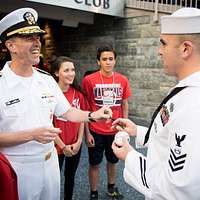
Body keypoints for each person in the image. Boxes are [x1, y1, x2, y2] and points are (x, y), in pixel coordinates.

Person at [0, 8, 112, 200]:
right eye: (29, 38)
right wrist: (31, 135)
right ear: (11, 45)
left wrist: (93, 115)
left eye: (37, 37)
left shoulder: (46, 79)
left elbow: (67, 112)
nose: (37, 43)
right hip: (17, 168)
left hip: (50, 163)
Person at [112, 7, 200, 200]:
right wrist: (138, 131)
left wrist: (130, 156)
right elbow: (172, 137)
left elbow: (176, 190)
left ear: (186, 49)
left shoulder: (194, 103)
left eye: (163, 44)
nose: (159, 52)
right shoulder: (186, 90)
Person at [82, 45, 131, 200]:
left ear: (115, 61)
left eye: (111, 59)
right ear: (98, 61)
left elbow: (124, 104)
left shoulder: (122, 80)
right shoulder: (89, 80)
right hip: (95, 130)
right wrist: (87, 132)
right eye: (104, 59)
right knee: (94, 163)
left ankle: (111, 188)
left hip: (115, 129)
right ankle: (94, 192)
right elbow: (85, 108)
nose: (108, 62)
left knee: (112, 161)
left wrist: (123, 128)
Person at [50, 56, 87, 200]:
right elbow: (48, 123)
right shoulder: (50, 95)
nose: (71, 73)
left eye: (73, 70)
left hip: (75, 145)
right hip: (56, 146)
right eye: (66, 70)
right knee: (54, 180)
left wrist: (79, 142)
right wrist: (63, 146)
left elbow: (82, 119)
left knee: (70, 177)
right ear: (56, 73)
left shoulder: (78, 94)